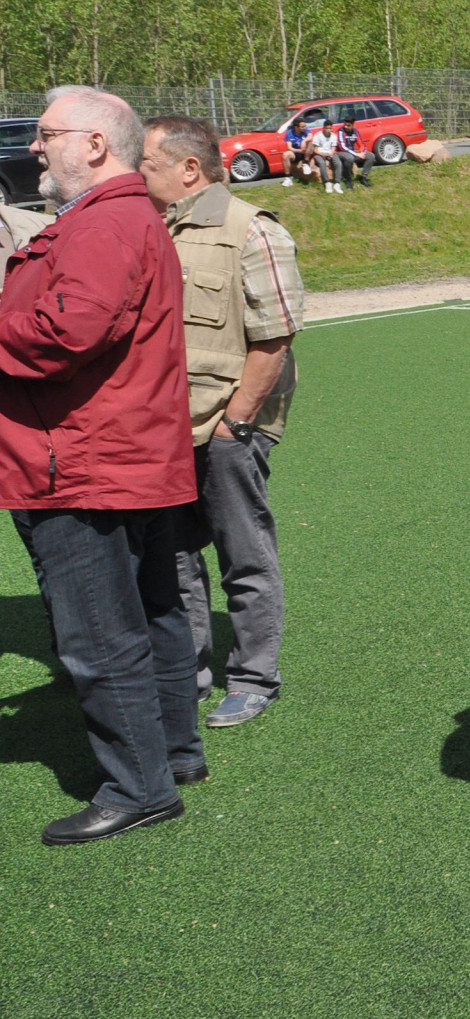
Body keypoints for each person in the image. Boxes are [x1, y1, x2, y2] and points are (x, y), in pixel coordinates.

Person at [0, 87, 203, 844]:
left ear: (94, 144)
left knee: (99, 632)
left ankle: (139, 786)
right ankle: (171, 755)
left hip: (82, 460)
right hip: (119, 452)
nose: (34, 146)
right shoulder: (118, 215)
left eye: (47, 133)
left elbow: (68, 330)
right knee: (152, 611)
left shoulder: (105, 221)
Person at [138, 115, 306, 729]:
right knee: (175, 556)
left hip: (226, 426)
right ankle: (188, 671)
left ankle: (254, 678)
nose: (137, 173)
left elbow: (275, 337)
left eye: (147, 163)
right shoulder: (148, 227)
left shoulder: (250, 229)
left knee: (244, 554)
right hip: (162, 427)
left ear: (190, 169)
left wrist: (237, 422)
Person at [335, 117, 375, 190]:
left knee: (371, 156)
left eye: (348, 125)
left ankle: (363, 177)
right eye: (345, 125)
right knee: (349, 158)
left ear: (353, 125)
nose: (346, 127)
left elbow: (362, 144)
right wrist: (357, 154)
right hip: (340, 152)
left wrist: (362, 152)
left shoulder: (355, 131)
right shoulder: (340, 131)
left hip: (352, 152)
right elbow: (342, 147)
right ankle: (348, 180)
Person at [307, 120, 343, 193]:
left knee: (338, 163)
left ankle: (337, 183)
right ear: (323, 128)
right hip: (319, 153)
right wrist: (323, 155)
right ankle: (327, 182)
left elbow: (333, 148)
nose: (329, 130)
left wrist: (331, 154)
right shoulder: (318, 135)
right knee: (322, 163)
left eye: (330, 128)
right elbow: (315, 150)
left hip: (329, 153)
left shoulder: (333, 136)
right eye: (327, 128)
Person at [280, 117, 311, 186]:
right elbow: (289, 147)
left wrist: (304, 141)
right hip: (296, 152)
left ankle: (306, 162)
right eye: (302, 127)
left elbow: (310, 136)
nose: (304, 128)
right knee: (285, 154)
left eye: (304, 126)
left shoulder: (306, 130)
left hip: (306, 152)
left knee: (310, 142)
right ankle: (288, 177)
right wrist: (299, 151)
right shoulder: (289, 133)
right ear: (296, 127)